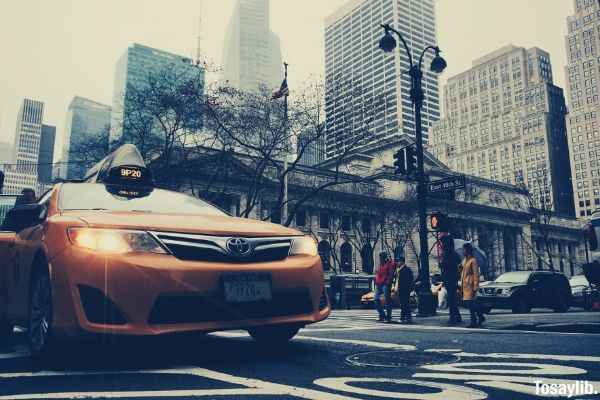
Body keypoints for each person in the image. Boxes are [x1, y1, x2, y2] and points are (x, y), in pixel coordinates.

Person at [439, 235, 462, 324]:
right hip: (448, 279)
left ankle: (453, 317)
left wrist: (443, 264)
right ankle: (457, 316)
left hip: (451, 279)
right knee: (451, 299)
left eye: (443, 243)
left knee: (451, 299)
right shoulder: (447, 254)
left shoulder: (451, 254)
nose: (441, 245)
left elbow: (453, 266)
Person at [462, 242, 485, 328]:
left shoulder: (473, 260)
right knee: (470, 304)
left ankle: (474, 322)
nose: (463, 251)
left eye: (464, 249)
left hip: (470, 285)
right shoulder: (465, 261)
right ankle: (480, 316)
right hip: (465, 285)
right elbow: (464, 273)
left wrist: (476, 286)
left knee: (471, 305)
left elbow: (476, 274)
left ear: (468, 250)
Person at [374, 252, 396, 322]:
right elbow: (378, 273)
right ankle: (382, 314)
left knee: (387, 300)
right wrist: (376, 281)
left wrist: (388, 283)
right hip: (379, 284)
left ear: (384, 257)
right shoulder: (381, 264)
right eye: (380, 257)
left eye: (381, 257)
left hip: (385, 284)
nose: (380, 258)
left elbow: (391, 274)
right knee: (376, 299)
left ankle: (388, 316)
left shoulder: (389, 264)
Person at [396, 257, 414, 323]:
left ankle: (405, 318)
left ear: (402, 262)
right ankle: (406, 318)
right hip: (403, 289)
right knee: (404, 304)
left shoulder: (406, 269)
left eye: (398, 261)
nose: (397, 263)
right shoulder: (400, 269)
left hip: (404, 289)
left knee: (404, 304)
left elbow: (409, 280)